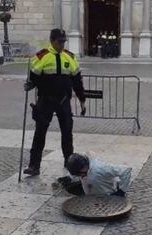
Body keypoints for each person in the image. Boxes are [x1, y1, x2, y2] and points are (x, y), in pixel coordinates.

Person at [23, 29, 86, 176]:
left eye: (64, 41)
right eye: (59, 41)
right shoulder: (41, 56)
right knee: (40, 133)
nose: (62, 44)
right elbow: (34, 76)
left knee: (67, 133)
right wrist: (31, 84)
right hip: (46, 101)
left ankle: (69, 162)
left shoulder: (70, 57)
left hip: (64, 101)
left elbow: (77, 81)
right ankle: (34, 165)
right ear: (52, 40)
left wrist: (82, 99)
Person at [65, 153, 132, 196]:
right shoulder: (81, 169)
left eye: (79, 174)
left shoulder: (100, 168)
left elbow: (126, 170)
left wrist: (121, 191)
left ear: (83, 168)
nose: (80, 177)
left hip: (108, 196)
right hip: (92, 197)